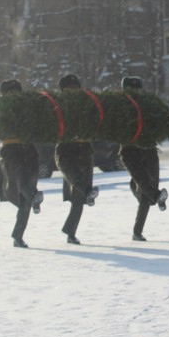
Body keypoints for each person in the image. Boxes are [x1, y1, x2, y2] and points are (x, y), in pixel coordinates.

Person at [0, 79, 44, 248]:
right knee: (22, 182)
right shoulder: (3, 110)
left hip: (21, 149)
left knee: (23, 193)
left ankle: (18, 236)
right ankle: (33, 196)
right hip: (17, 150)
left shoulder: (24, 108)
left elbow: (38, 125)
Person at [118, 76, 167, 241]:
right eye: (131, 89)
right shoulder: (119, 107)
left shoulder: (148, 106)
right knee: (145, 185)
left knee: (147, 188)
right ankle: (156, 197)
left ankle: (137, 231)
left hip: (148, 150)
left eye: (137, 89)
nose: (135, 92)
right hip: (130, 151)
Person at [54, 74, 100, 244]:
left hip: (85, 149)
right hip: (66, 149)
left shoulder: (86, 104)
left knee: (78, 198)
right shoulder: (57, 105)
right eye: (69, 88)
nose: (73, 90)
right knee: (76, 179)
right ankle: (88, 192)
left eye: (75, 87)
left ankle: (70, 232)